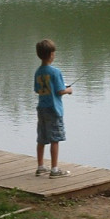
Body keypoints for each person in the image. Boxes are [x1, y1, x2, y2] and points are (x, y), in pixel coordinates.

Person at [34, 39, 73, 178]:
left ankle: (40, 167)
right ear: (51, 54)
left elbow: (37, 90)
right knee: (55, 139)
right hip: (54, 110)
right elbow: (60, 91)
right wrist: (69, 90)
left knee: (41, 138)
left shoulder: (38, 72)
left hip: (42, 109)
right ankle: (55, 170)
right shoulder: (55, 72)